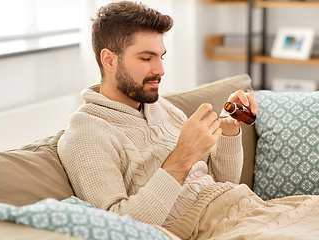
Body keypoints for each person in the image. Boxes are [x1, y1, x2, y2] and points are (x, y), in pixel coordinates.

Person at [58, 0, 258, 231]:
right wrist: (182, 157)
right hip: (222, 230)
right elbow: (118, 228)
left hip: (249, 210)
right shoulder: (86, 134)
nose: (161, 70)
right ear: (109, 60)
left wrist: (228, 127)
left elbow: (223, 184)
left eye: (161, 56)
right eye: (146, 58)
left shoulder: (163, 109)